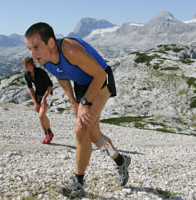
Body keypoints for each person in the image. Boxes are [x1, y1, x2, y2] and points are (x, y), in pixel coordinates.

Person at [25, 22, 131, 198]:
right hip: (82, 86)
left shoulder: (69, 49)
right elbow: (61, 76)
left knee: (81, 130)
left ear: (51, 42)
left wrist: (84, 102)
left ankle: (78, 183)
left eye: (36, 47)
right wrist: (74, 102)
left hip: (100, 80)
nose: (33, 54)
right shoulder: (44, 59)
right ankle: (120, 160)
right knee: (94, 135)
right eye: (29, 48)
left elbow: (100, 75)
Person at [22, 56, 54, 144]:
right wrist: (35, 102)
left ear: (32, 64)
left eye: (27, 65)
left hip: (47, 95)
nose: (26, 67)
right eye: (24, 66)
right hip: (38, 95)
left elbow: (50, 86)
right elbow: (30, 89)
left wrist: (44, 99)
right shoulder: (27, 75)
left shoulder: (41, 72)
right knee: (41, 117)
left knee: (41, 116)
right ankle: (47, 134)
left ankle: (49, 133)